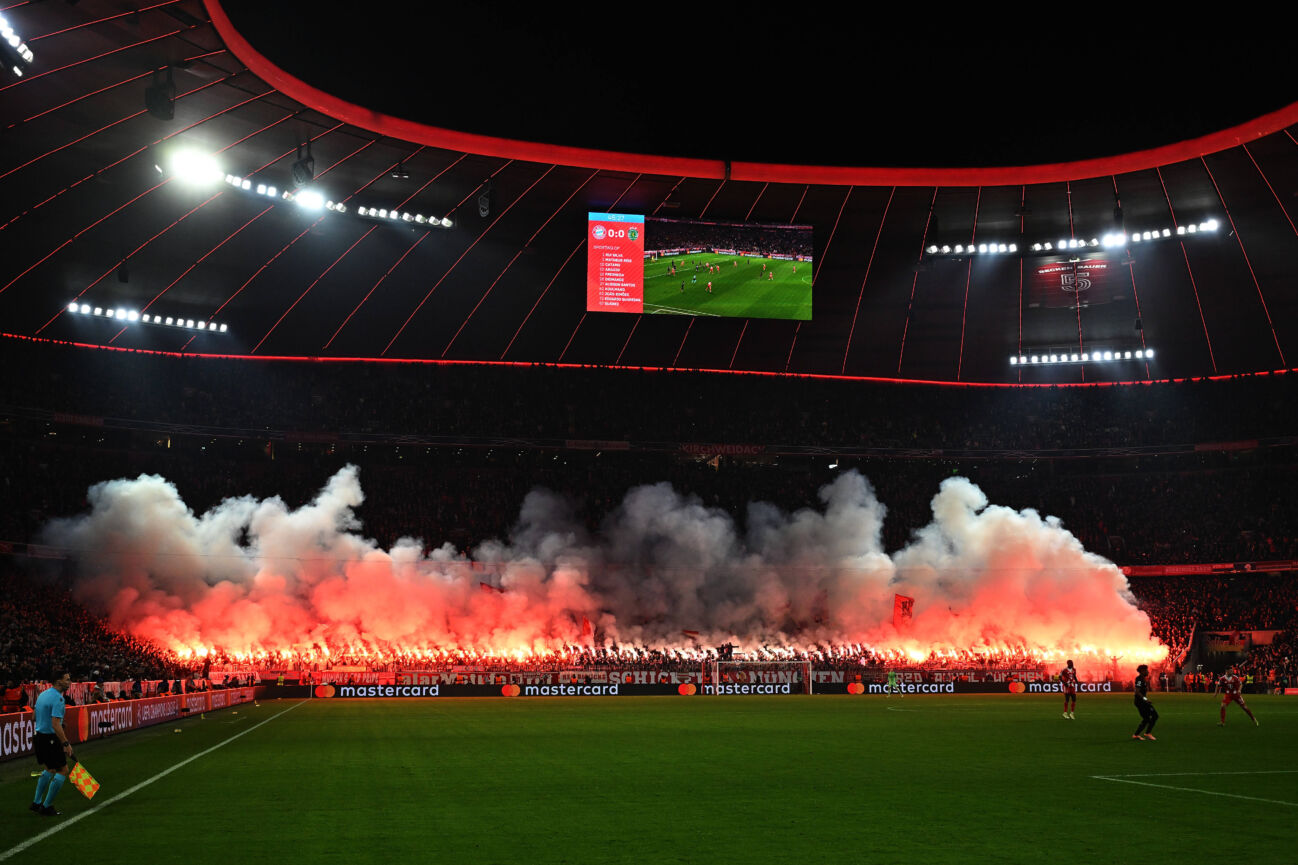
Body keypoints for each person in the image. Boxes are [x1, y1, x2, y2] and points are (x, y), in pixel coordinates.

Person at [30, 671, 75, 816]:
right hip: (50, 738)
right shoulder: (58, 699)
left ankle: (36, 803)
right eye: (67, 679)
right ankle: (47, 806)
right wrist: (66, 743)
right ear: (58, 681)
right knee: (63, 770)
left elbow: (33, 717)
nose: (69, 682)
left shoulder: (43, 694)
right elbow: (55, 724)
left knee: (50, 768)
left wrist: (56, 722)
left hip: (39, 737)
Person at [1133, 663, 1158, 741]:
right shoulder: (1139, 679)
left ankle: (1137, 735)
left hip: (1142, 702)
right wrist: (1145, 699)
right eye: (1146, 670)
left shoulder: (1143, 679)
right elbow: (1137, 692)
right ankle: (1147, 733)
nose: (1148, 671)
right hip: (1140, 702)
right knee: (1154, 716)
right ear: (1142, 671)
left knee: (1148, 718)